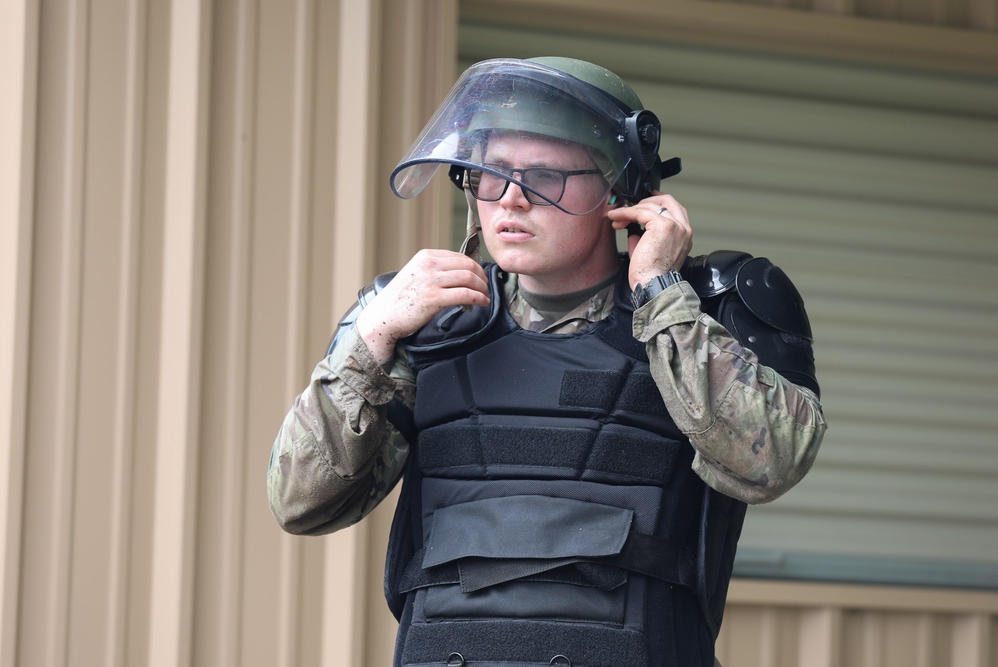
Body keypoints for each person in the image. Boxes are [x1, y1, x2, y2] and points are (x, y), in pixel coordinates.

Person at [268, 56, 826, 667]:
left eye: (543, 177)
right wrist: (371, 340)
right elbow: (301, 502)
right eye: (489, 174)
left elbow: (772, 460)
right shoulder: (418, 322)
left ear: (619, 191)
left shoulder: (706, 311)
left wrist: (662, 296)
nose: (509, 200)